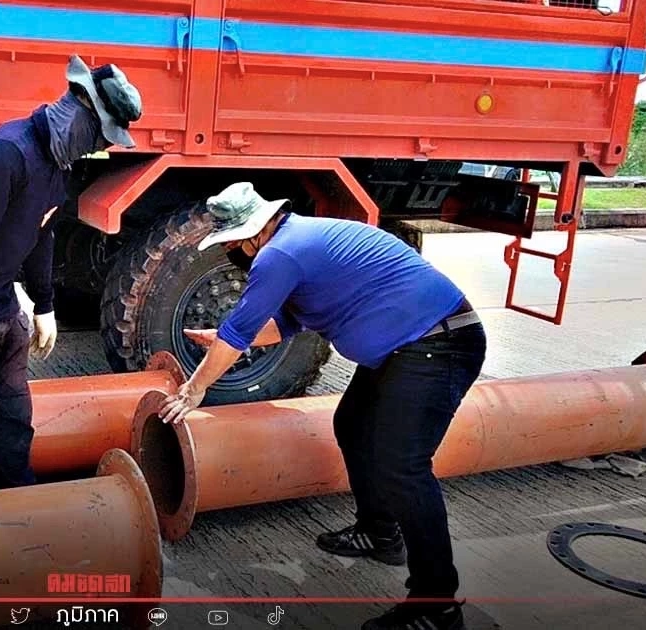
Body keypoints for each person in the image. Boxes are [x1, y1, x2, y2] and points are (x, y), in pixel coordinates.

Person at [159, 182, 487, 630]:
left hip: (437, 342)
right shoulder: (298, 244)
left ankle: (437, 604)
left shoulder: (280, 253)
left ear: (256, 231)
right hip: (407, 345)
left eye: (234, 243)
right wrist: (224, 340)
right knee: (352, 423)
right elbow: (279, 327)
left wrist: (193, 390)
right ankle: (380, 531)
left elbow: (241, 330)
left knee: (403, 466)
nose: (234, 252)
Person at [0, 55, 142, 498]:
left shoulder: (59, 166)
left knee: (15, 414)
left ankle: (19, 504)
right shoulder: (8, 153)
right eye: (99, 136)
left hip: (1, 301)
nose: (99, 148)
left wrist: (44, 303)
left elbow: (43, 233)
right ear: (81, 113)